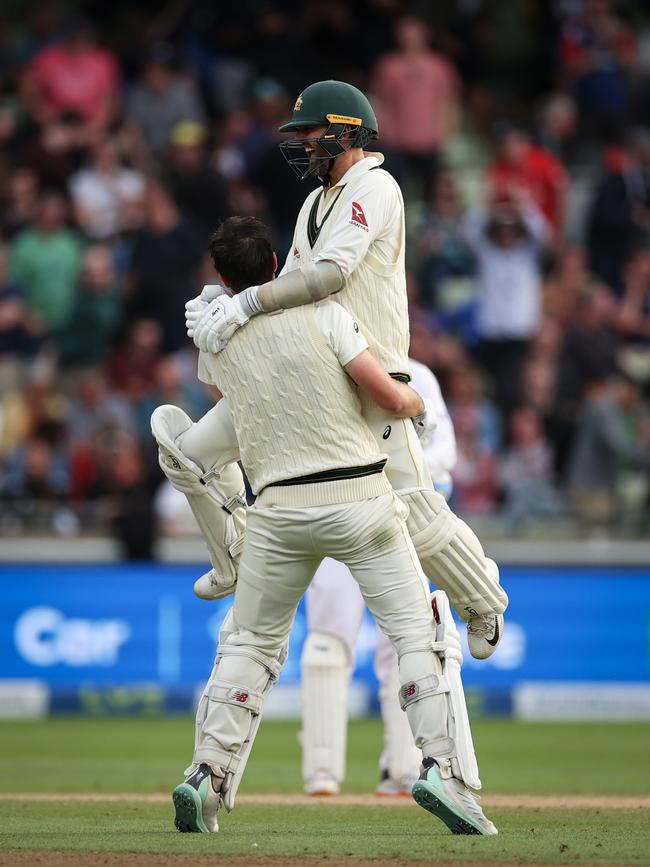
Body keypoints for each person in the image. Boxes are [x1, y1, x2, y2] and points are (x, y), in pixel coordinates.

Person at [151, 216, 497, 836]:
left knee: (248, 645)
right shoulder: (330, 315)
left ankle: (205, 776)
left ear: (224, 278)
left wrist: (217, 310)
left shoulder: (220, 339)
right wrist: (416, 406)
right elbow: (390, 398)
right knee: (416, 636)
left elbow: (214, 387)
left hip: (278, 515)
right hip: (359, 500)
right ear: (281, 259)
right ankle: (439, 768)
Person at [185, 80, 508, 661]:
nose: (305, 147)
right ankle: (231, 550)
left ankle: (484, 599)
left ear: (347, 133)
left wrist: (248, 305)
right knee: (186, 452)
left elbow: (330, 275)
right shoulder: (314, 203)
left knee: (416, 511)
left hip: (371, 370)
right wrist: (224, 301)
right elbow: (294, 290)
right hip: (312, 376)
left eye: (313, 136)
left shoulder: (376, 187)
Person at [302, 357, 458, 797]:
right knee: (325, 645)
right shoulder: (322, 362)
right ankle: (322, 772)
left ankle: (405, 770)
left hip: (402, 518)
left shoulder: (417, 373)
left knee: (406, 643)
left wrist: (392, 474)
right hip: (337, 509)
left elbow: (446, 452)